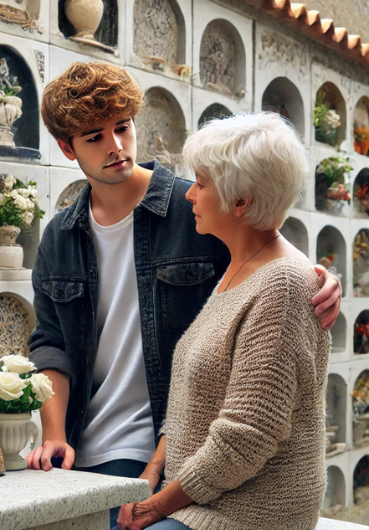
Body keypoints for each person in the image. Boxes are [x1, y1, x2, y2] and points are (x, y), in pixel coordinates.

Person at [26, 62, 340, 528]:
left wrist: (320, 275)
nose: (115, 147)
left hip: (169, 452)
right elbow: (49, 341)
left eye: (123, 128)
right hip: (80, 445)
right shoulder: (59, 237)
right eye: (94, 137)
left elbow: (261, 242)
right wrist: (54, 435)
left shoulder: (189, 206)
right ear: (66, 148)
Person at [115, 112, 330, 530]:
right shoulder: (237, 270)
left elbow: (247, 437)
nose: (189, 195)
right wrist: (151, 475)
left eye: (201, 183)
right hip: (200, 498)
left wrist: (156, 506)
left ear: (241, 201)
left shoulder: (283, 285)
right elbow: (187, 408)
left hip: (249, 511)